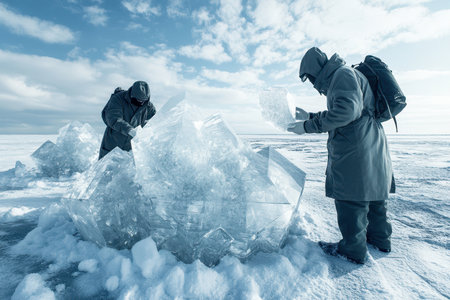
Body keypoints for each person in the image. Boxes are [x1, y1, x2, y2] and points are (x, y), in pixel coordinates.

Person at [288, 47, 395, 264]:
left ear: (316, 70)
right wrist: (309, 115)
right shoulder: (345, 73)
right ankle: (380, 240)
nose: (311, 82)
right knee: (374, 194)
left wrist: (308, 126)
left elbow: (347, 112)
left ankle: (352, 250)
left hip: (355, 145)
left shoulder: (341, 75)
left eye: (309, 77)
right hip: (371, 139)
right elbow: (350, 107)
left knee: (351, 198)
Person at [99, 81, 156, 159]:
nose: (140, 102)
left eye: (143, 100)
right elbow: (114, 118)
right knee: (106, 169)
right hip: (112, 144)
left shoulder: (148, 106)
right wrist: (130, 130)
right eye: (138, 100)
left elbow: (156, 120)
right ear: (132, 94)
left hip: (130, 149)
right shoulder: (118, 99)